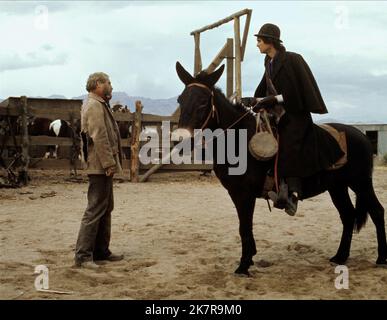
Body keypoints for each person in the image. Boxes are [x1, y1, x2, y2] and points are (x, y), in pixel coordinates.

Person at [251, 23, 344, 216]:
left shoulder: (292, 59)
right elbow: (263, 90)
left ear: (270, 41)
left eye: (259, 40)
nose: (257, 44)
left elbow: (294, 94)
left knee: (288, 144)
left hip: (295, 115)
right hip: (276, 115)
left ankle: (293, 193)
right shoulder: (268, 63)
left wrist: (271, 99)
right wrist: (253, 99)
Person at [74, 72, 124, 268]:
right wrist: (109, 163)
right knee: (95, 209)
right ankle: (83, 256)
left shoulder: (98, 103)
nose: (110, 85)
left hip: (100, 164)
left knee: (106, 207)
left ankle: (101, 251)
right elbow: (99, 136)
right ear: (98, 84)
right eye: (108, 82)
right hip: (99, 166)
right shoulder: (94, 105)